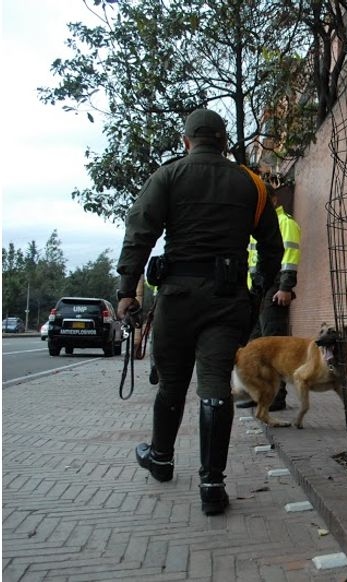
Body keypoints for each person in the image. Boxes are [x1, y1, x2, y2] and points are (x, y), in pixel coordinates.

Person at [116, 109, 282, 516]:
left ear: (187, 141)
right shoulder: (252, 184)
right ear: (224, 142)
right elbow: (272, 249)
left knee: (171, 383)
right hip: (227, 301)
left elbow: (140, 232)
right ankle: (211, 484)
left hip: (177, 297)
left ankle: (161, 458)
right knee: (214, 387)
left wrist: (126, 291)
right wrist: (258, 290)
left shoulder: (168, 176)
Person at [236, 184, 301, 412]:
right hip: (258, 292)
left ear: (272, 200)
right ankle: (259, 394)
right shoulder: (261, 226)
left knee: (274, 347)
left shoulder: (286, 224)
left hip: (274, 291)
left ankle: (276, 397)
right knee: (254, 346)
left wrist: (284, 287)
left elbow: (290, 258)